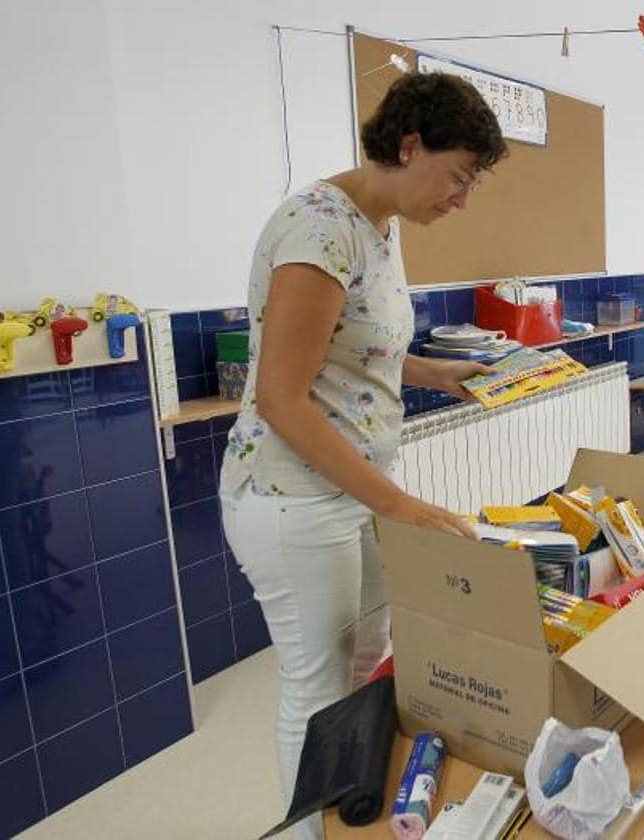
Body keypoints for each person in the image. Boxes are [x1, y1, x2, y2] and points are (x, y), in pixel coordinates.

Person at [219, 72, 507, 839]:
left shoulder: (380, 225)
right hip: (291, 496)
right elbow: (283, 396)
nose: (461, 198)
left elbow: (351, 347)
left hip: (353, 487)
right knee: (316, 683)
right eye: (457, 177)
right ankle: (306, 833)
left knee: (368, 655)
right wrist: (400, 505)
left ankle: (348, 815)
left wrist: (429, 370)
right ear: (408, 145)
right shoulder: (319, 228)